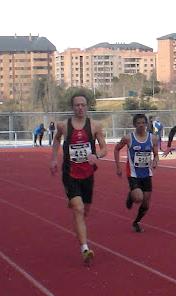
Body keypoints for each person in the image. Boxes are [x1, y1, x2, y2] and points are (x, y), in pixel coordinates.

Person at [50, 92, 107, 264]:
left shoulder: (95, 126)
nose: (80, 108)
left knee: (84, 211)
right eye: (77, 105)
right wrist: (53, 159)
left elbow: (104, 148)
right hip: (70, 174)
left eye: (83, 105)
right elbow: (56, 140)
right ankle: (85, 249)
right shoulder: (63, 126)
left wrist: (97, 156)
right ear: (72, 107)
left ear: (87, 106)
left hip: (88, 175)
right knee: (79, 209)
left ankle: (75, 208)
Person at [114, 114, 159, 233]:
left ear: (146, 124)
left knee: (146, 204)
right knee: (138, 198)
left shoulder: (153, 138)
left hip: (147, 174)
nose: (141, 125)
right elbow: (117, 149)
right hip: (133, 174)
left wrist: (155, 161)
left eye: (143, 123)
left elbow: (156, 154)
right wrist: (118, 166)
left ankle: (136, 222)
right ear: (134, 125)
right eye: (138, 123)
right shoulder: (128, 138)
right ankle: (131, 195)